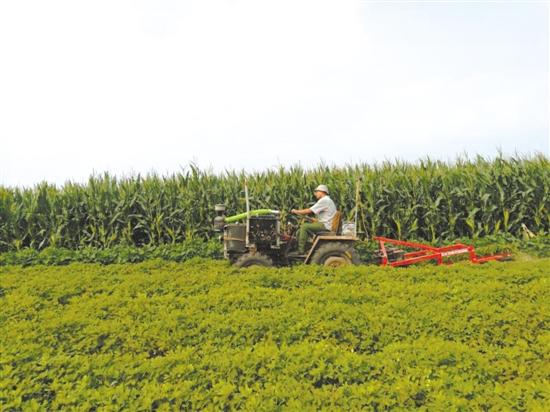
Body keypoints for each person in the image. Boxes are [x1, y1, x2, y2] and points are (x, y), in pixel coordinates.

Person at [291, 184, 337, 254]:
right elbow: (325, 217)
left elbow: (309, 210)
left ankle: (300, 251)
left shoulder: (324, 200)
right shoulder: (327, 200)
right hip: (325, 223)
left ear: (322, 191)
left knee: (304, 226)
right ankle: (306, 248)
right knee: (299, 232)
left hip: (325, 225)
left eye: (317, 192)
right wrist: (310, 218)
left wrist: (296, 211)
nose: (315, 194)